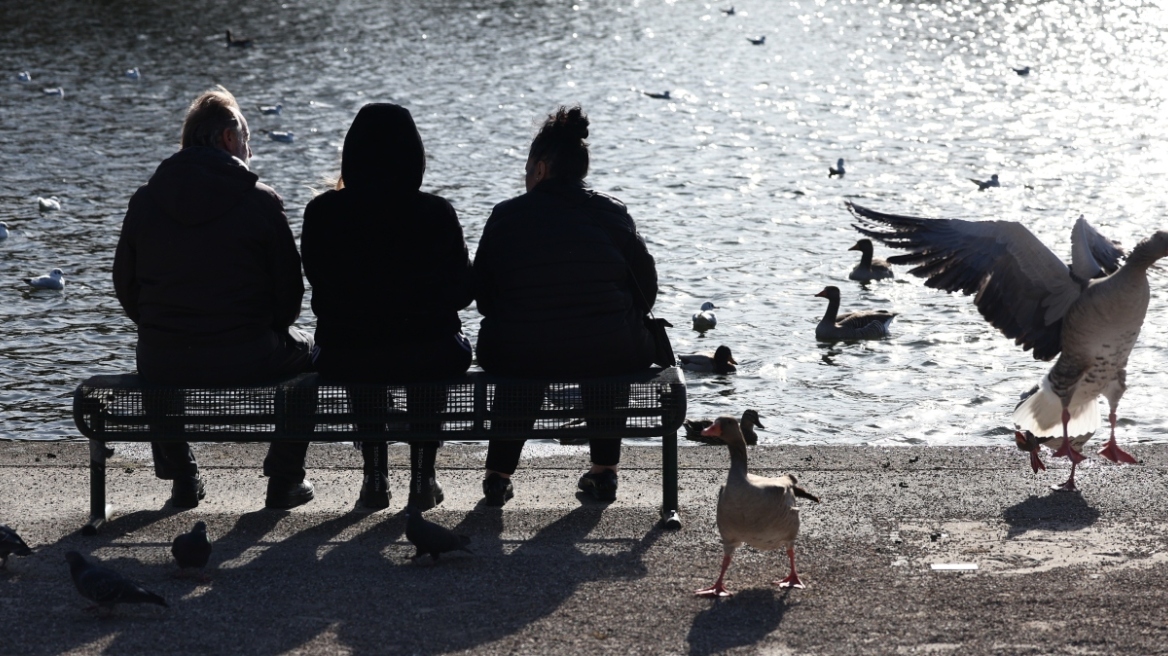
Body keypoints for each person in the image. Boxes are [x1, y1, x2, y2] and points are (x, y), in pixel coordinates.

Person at [113, 86, 316, 510]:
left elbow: (126, 288)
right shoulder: (260, 202)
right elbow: (290, 296)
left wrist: (165, 325)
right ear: (228, 139)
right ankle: (284, 478)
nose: (250, 147)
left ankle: (184, 478)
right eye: (246, 137)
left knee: (154, 354)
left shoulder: (146, 201)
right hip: (249, 353)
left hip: (166, 356)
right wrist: (266, 328)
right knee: (313, 354)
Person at [473, 105, 658, 506]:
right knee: (605, 343)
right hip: (607, 349)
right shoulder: (614, 213)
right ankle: (604, 472)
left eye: (527, 168)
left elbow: (483, 297)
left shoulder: (505, 216)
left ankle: (498, 476)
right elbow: (647, 289)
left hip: (520, 353)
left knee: (519, 344)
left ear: (540, 168)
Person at [300, 103, 473, 510]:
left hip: (346, 354)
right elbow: (464, 293)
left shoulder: (322, 213)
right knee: (432, 347)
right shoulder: (435, 213)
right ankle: (421, 478)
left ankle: (375, 478)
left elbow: (317, 282)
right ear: (415, 156)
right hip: (429, 352)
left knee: (363, 346)